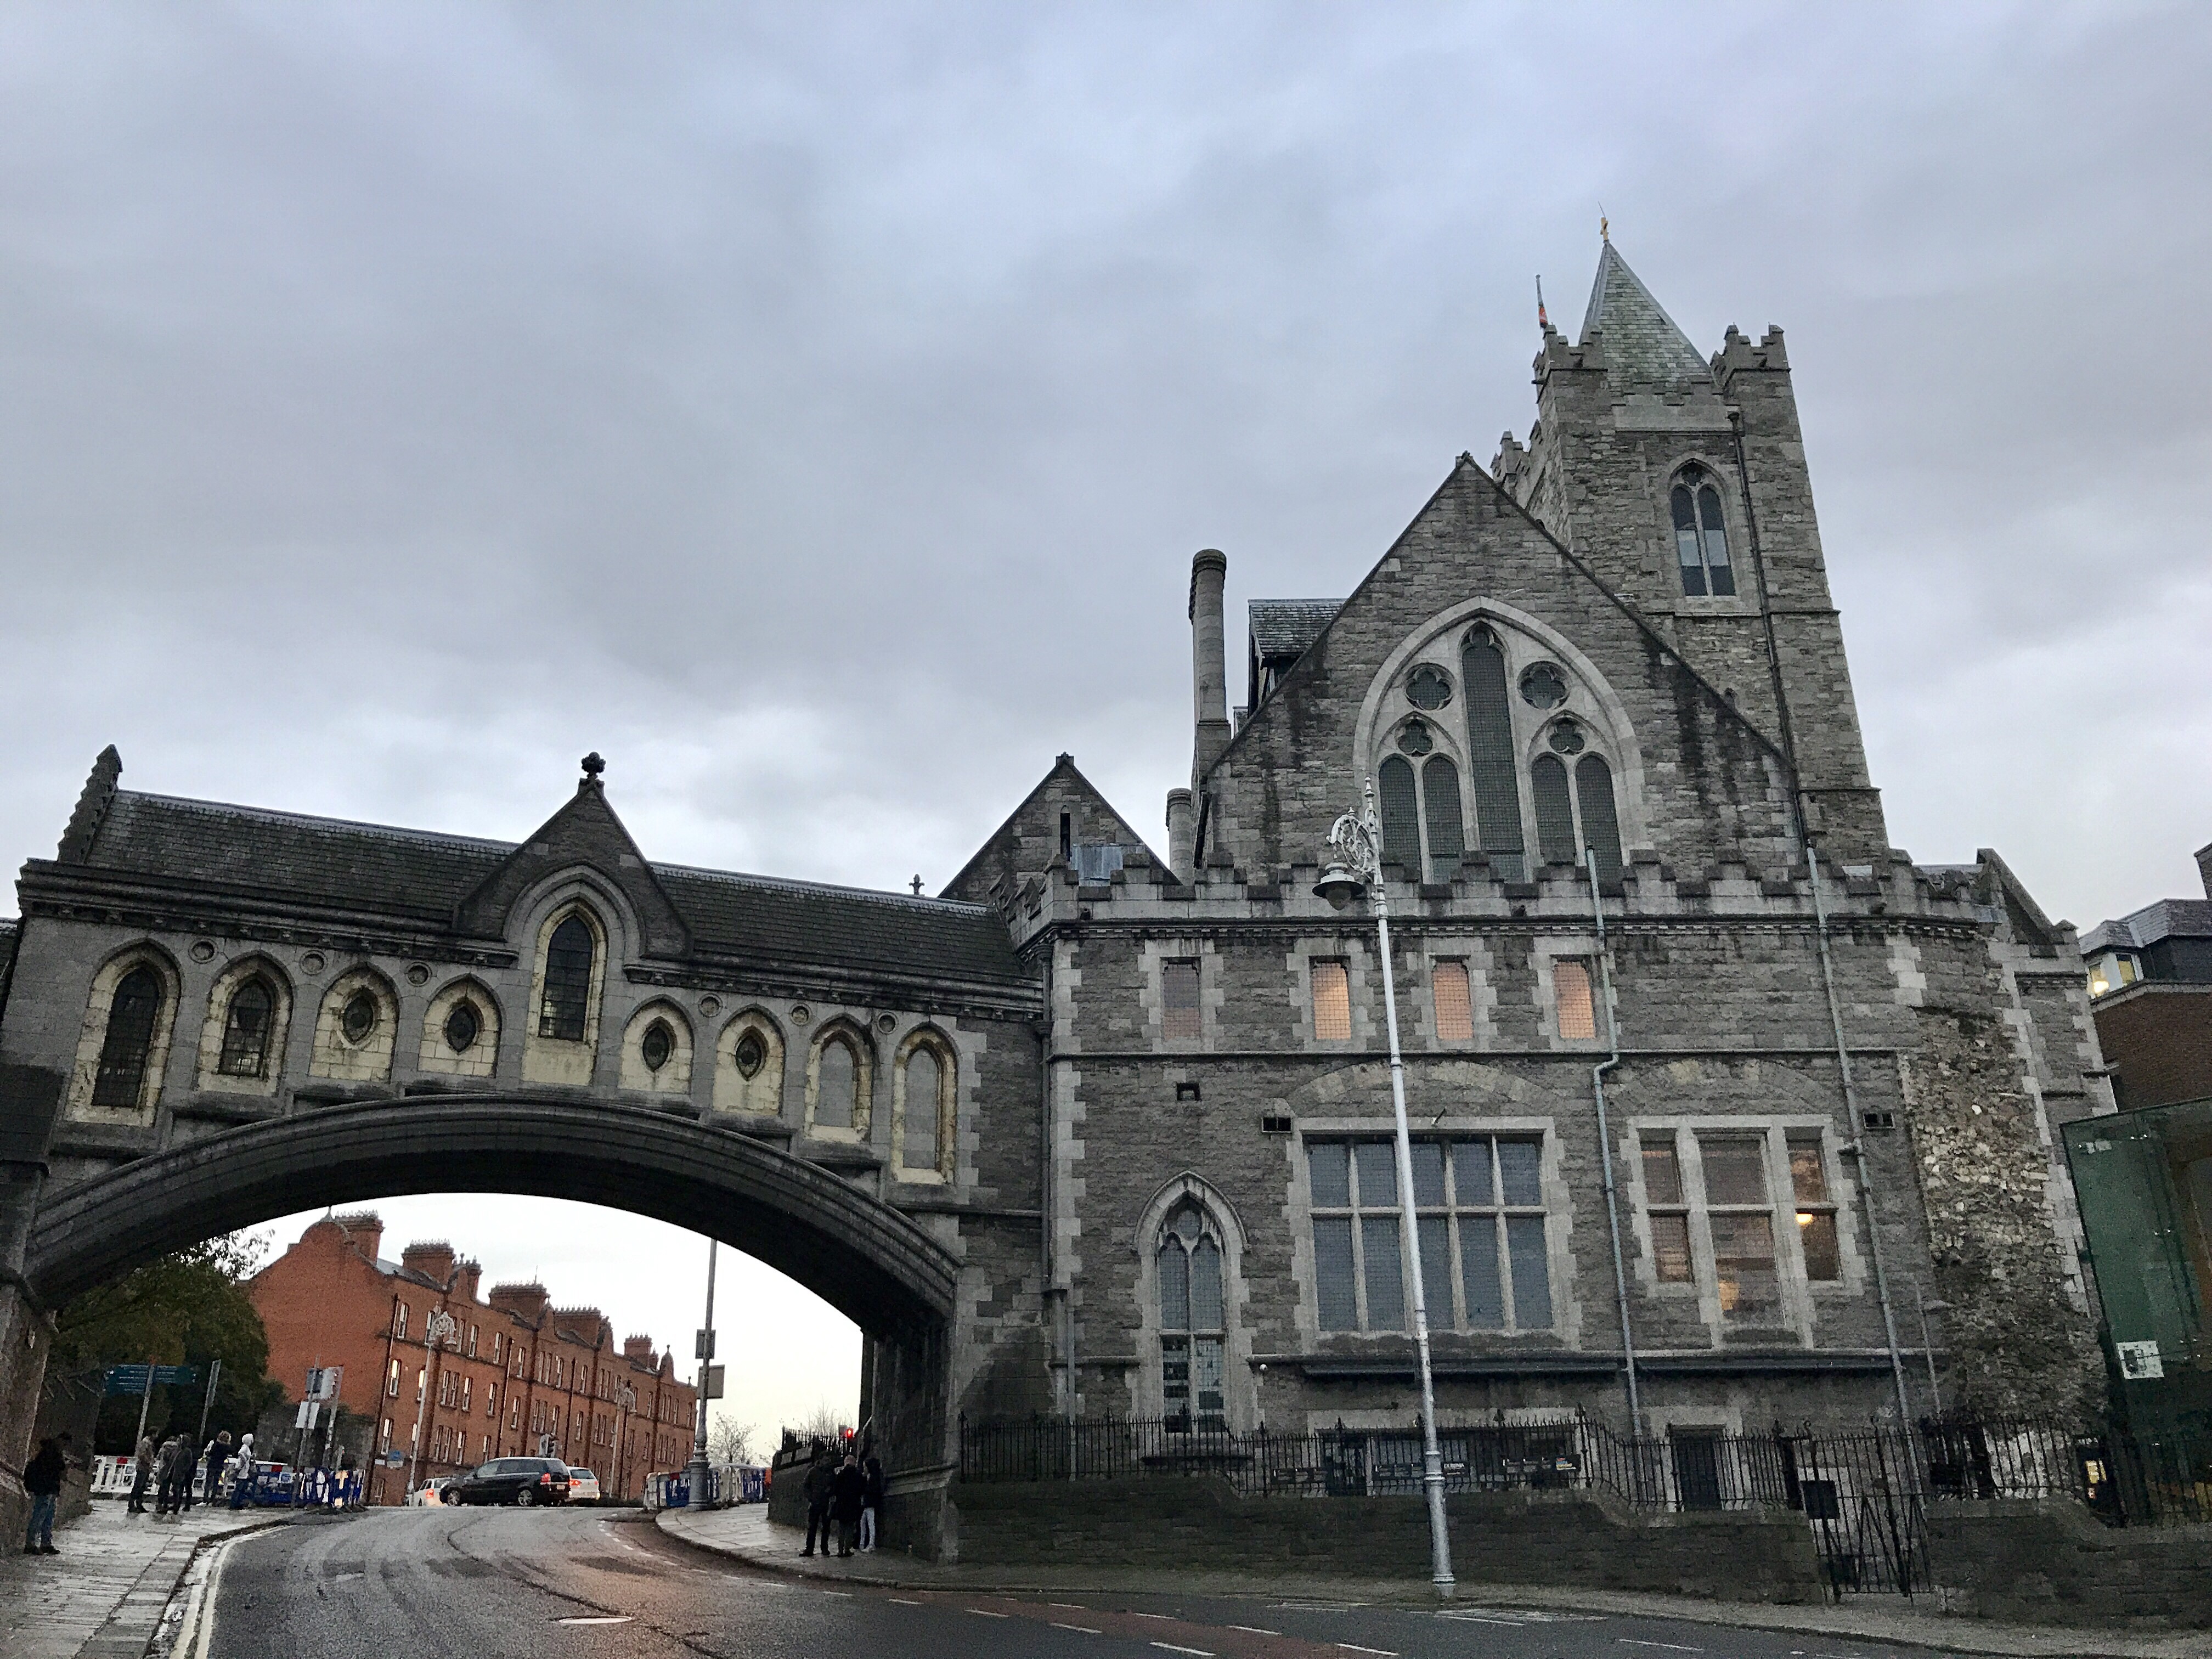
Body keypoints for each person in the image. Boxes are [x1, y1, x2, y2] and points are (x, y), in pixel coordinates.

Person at [21, 1433, 70, 1555]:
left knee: (48, 1517)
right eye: (64, 1444)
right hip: (45, 1488)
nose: (64, 1447)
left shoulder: (51, 1450)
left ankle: (45, 1543)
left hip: (50, 1488)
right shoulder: (51, 1452)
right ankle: (31, 1543)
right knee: (40, 1516)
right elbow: (55, 1469)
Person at [799, 1446, 836, 1556]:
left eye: (829, 1460)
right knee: (812, 1527)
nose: (827, 1462)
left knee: (826, 1528)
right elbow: (806, 1486)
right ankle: (809, 1549)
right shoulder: (813, 1472)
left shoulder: (831, 1472)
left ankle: (825, 1548)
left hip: (826, 1503)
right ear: (820, 1460)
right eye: (826, 1460)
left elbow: (835, 1485)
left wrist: (830, 1491)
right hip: (815, 1503)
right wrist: (811, 1497)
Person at [830, 1453, 866, 1559]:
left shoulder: (840, 1474)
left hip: (842, 1504)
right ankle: (847, 1549)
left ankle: (840, 1550)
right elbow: (862, 1489)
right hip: (853, 1504)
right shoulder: (858, 1474)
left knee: (842, 1528)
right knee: (850, 1527)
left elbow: (835, 1489)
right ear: (854, 1463)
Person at [858, 1454, 884, 1553]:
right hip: (867, 1503)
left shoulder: (875, 1478)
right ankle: (862, 1543)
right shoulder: (868, 1477)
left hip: (871, 1503)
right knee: (863, 1523)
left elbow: (874, 1490)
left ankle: (871, 1544)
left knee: (870, 1523)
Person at [127, 1431, 155, 1515]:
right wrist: (148, 1462)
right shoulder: (145, 1442)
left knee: (142, 1486)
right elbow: (142, 1454)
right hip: (143, 1467)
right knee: (138, 1485)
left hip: (146, 1468)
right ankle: (132, 1504)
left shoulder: (149, 1442)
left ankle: (139, 1504)